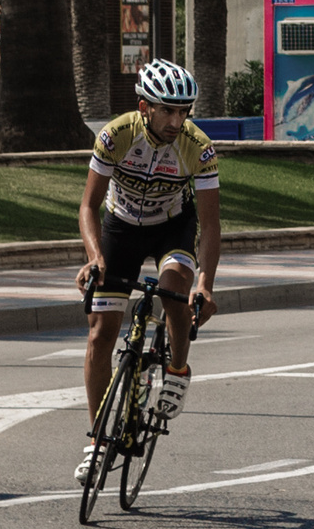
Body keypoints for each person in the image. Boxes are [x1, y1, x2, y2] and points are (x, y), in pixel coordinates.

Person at [77, 58, 221, 486]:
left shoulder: (199, 146)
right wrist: (94, 256)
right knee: (101, 334)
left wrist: (205, 285)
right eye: (168, 111)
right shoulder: (116, 135)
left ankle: (177, 369)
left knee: (172, 287)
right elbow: (87, 205)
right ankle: (98, 443)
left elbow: (211, 225)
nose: (178, 120)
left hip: (171, 227)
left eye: (184, 112)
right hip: (120, 227)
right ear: (144, 107)